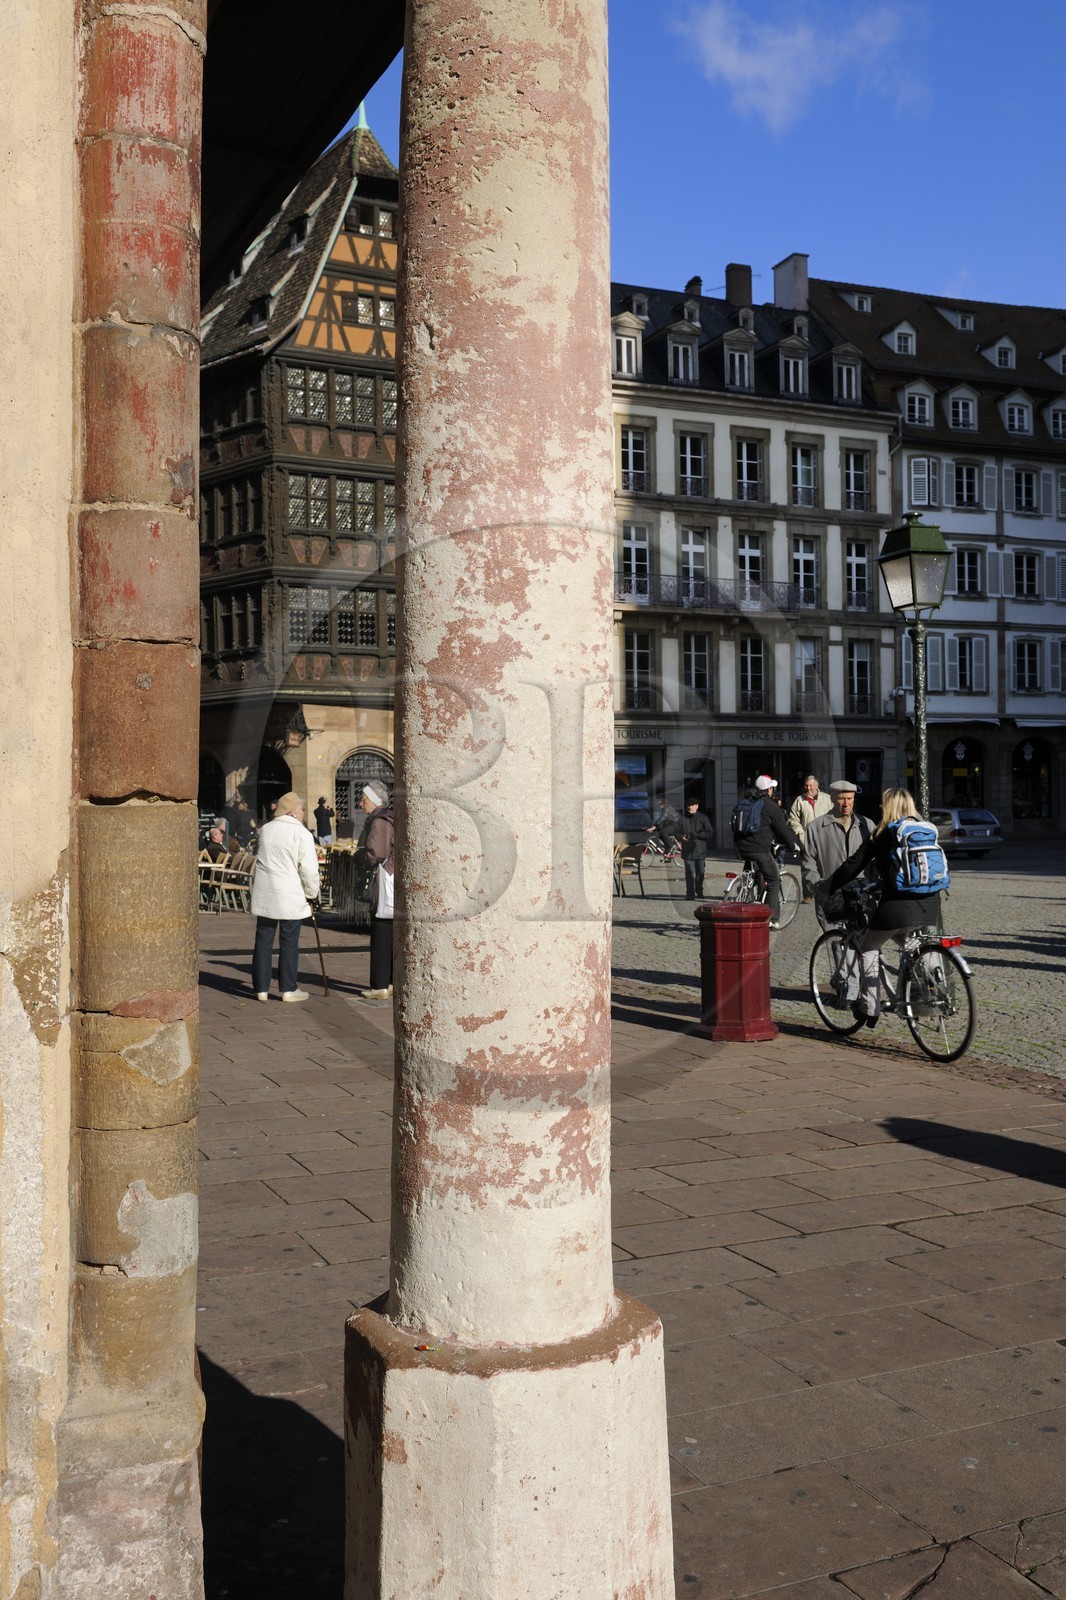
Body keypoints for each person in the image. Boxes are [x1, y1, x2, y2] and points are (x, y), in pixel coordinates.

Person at [818, 786, 943, 1028]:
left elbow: (854, 864)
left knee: (868, 946)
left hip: (897, 906)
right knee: (910, 943)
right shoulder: (925, 829)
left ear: (887, 808)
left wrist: (826, 886)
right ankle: (931, 992)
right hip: (930, 904)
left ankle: (870, 1006)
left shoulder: (884, 833)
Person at [249, 791, 320, 1003]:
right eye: (301, 809)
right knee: (289, 941)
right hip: (289, 893)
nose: (303, 813)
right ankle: (288, 988)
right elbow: (308, 869)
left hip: (266, 892)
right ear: (293, 811)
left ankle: (260, 988)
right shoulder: (301, 834)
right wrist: (312, 893)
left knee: (263, 939)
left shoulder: (266, 830)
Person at [801, 780, 874, 929]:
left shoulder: (867, 826)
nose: (846, 803)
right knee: (837, 944)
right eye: (842, 798)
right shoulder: (816, 828)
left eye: (850, 798)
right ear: (832, 799)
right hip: (831, 895)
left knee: (864, 946)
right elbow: (808, 861)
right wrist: (818, 887)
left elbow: (876, 860)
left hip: (861, 895)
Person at [732, 775, 800, 928]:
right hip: (759, 849)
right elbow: (782, 830)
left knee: (753, 873)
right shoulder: (770, 805)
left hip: (740, 848)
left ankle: (744, 890)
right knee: (774, 879)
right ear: (769, 789)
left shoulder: (746, 800)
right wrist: (792, 846)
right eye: (772, 788)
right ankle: (772, 919)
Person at [355, 782, 395, 1001]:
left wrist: (359, 857)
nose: (361, 804)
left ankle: (379, 984)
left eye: (364, 799)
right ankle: (389, 981)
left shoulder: (379, 821)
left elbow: (375, 854)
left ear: (375, 801)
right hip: (390, 878)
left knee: (381, 932)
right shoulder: (387, 818)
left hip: (384, 879)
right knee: (388, 931)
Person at [680, 796, 714, 900]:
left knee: (700, 873)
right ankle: (690, 894)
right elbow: (675, 831)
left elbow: (710, 833)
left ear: (697, 806)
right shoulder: (682, 818)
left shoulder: (703, 818)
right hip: (687, 851)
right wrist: (681, 837)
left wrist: (698, 835)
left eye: (692, 805)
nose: (690, 807)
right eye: (688, 805)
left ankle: (699, 891)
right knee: (689, 873)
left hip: (700, 850)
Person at [787, 774, 832, 840]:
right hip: (807, 840)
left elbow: (835, 817)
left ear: (817, 786)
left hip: (825, 839)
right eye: (806, 785)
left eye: (810, 786)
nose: (808, 788)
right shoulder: (799, 800)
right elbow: (793, 820)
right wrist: (802, 836)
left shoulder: (827, 799)